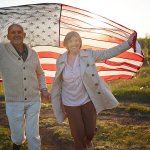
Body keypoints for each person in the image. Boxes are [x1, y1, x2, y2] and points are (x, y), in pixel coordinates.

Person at [51, 31, 136, 150]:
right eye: (70, 41)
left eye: (76, 40)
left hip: (87, 99)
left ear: (80, 43)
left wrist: (127, 43)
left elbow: (107, 53)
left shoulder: (88, 54)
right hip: (69, 102)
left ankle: (88, 141)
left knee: (90, 131)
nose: (74, 43)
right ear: (66, 44)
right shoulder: (60, 59)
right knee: (78, 134)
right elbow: (59, 82)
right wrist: (57, 98)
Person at [0, 24, 50, 150]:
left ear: (24, 34)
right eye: (13, 32)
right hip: (13, 101)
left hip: (33, 100)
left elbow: (40, 72)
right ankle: (17, 144)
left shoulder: (33, 53)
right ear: (8, 36)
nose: (16, 34)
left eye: (19, 32)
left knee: (33, 135)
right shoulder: (2, 50)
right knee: (17, 137)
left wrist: (43, 89)